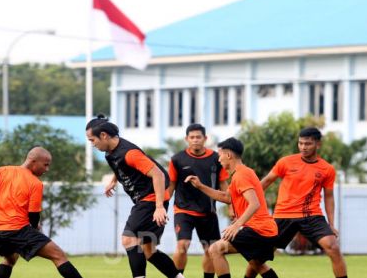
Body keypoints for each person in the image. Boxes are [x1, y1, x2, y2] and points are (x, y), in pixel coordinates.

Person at [0, 147, 84, 278]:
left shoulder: (3, 170)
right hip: (17, 230)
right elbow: (33, 214)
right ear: (33, 161)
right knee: (58, 255)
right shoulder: (35, 183)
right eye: (45, 165)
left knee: (10, 259)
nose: (47, 169)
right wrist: (36, 227)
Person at [86, 114, 184, 278]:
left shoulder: (130, 153)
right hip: (147, 200)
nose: (92, 144)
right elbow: (121, 168)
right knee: (149, 251)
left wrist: (159, 207)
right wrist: (113, 181)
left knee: (128, 239)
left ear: (103, 135)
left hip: (152, 199)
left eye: (92, 140)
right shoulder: (110, 153)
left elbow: (158, 175)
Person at [246, 127, 347, 278]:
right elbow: (265, 182)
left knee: (333, 247)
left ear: (318, 144)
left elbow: (329, 197)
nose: (303, 147)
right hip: (283, 215)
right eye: (300, 143)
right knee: (259, 255)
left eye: (307, 144)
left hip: (311, 215)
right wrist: (246, 203)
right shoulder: (286, 162)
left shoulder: (327, 169)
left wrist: (331, 224)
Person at [185, 137, 279, 278]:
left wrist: (237, 225)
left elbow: (254, 203)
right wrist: (200, 186)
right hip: (266, 230)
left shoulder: (241, 175)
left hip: (258, 230)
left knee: (215, 249)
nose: (218, 159)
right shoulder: (242, 173)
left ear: (228, 155)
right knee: (256, 265)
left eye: (219, 154)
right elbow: (226, 197)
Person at [168, 124, 229, 277]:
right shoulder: (177, 159)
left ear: (205, 139)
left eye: (198, 137)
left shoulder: (216, 158)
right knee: (183, 245)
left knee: (211, 250)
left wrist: (232, 206)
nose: (195, 140)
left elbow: (223, 184)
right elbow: (170, 186)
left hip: (208, 212)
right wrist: (159, 206)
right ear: (186, 139)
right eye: (192, 137)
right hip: (183, 210)